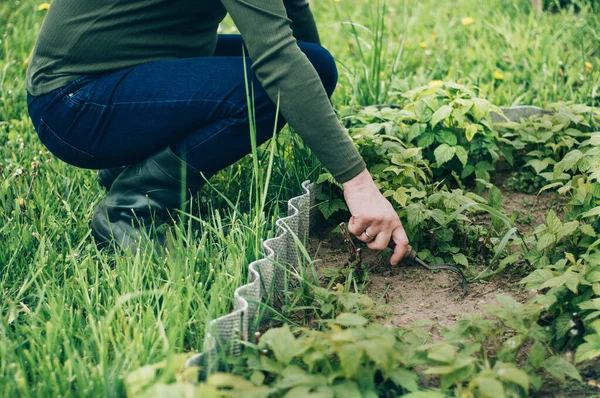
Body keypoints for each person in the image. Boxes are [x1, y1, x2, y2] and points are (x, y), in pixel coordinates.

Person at [26, 0, 410, 265]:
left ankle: (138, 164)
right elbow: (277, 60)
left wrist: (321, 123)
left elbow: (295, 25)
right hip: (75, 102)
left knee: (314, 65)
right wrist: (357, 184)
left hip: (129, 71)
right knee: (269, 86)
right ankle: (131, 207)